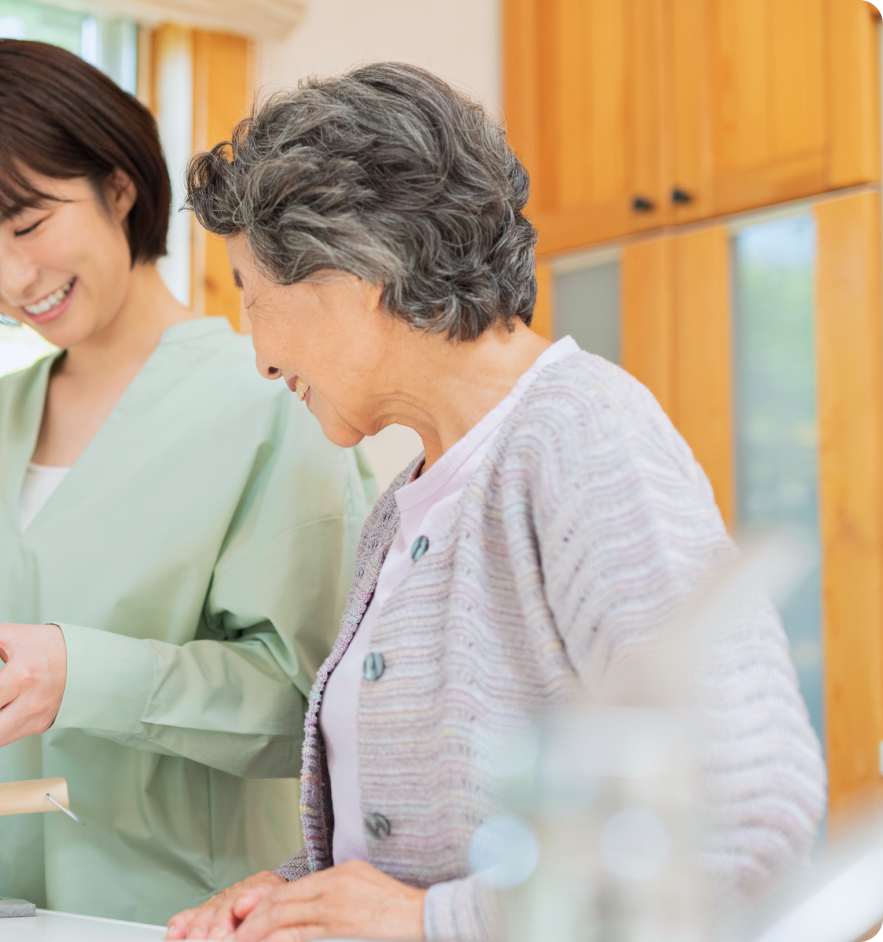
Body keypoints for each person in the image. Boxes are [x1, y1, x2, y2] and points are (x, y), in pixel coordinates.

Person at [166, 62, 825, 942]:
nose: (261, 358)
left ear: (353, 275)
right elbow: (420, 860)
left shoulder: (581, 434)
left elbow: (746, 820)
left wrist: (432, 921)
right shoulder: (408, 505)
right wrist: (293, 895)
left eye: (252, 297)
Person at [0, 40, 372, 925]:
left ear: (118, 187)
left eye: (28, 225)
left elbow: (307, 705)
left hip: (168, 915)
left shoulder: (272, 401)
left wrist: (84, 676)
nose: (12, 278)